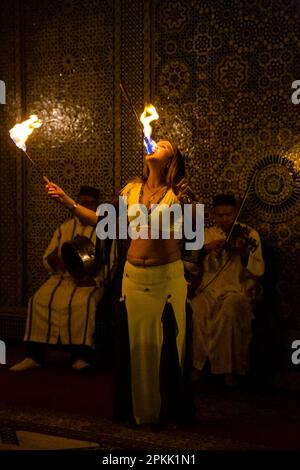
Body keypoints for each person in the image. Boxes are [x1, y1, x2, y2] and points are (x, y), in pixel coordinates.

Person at [42, 140, 195, 426]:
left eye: (164, 145)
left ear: (172, 160)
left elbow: (192, 237)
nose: (155, 144)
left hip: (166, 281)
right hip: (133, 278)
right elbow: (102, 220)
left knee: (167, 348)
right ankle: (137, 413)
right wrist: (67, 201)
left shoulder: (180, 194)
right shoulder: (131, 191)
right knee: (136, 348)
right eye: (155, 141)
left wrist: (184, 245)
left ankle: (170, 412)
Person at [10, 185, 116, 372]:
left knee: (83, 303)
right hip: (63, 277)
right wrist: (55, 262)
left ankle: (81, 357)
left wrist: (96, 280)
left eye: (91, 204)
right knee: (39, 300)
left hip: (90, 281)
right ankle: (34, 355)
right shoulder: (64, 229)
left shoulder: (103, 230)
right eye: (83, 202)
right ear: (77, 202)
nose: (87, 206)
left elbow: (111, 263)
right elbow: (48, 256)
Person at [190, 194, 265, 385]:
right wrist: (206, 249)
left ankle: (230, 369)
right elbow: (190, 265)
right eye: (220, 215)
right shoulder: (207, 235)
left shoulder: (249, 234)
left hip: (237, 290)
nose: (225, 219)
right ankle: (198, 366)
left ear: (235, 212)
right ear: (214, 215)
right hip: (210, 291)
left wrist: (244, 254)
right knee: (196, 310)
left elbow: (259, 270)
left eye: (229, 214)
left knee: (229, 311)